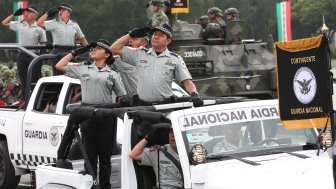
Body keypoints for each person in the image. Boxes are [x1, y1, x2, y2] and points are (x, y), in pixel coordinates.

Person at [55, 39, 126, 189]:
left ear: (107, 54)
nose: (93, 50)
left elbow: (121, 97)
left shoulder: (113, 74)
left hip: (106, 114)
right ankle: (92, 185)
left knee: (105, 155)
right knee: (90, 155)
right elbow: (59, 65)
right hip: (87, 113)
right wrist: (75, 52)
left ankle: (105, 186)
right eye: (92, 48)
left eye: (98, 48)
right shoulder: (83, 69)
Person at [110, 24, 203, 107]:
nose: (156, 37)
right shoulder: (139, 54)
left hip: (165, 107)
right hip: (143, 107)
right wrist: (130, 34)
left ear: (168, 40)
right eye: (154, 34)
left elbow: (187, 82)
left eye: (161, 35)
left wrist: (194, 94)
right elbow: (113, 49)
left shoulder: (175, 59)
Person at [2, 6, 47, 101]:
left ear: (35, 15)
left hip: (33, 56)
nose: (25, 14)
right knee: (23, 80)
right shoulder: (20, 24)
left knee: (34, 80)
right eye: (25, 12)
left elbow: (43, 44)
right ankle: (25, 101)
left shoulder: (40, 28)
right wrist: (14, 14)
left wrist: (42, 58)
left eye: (29, 12)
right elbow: (4, 22)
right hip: (21, 56)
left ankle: (34, 101)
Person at [37, 3, 88, 75]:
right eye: (60, 10)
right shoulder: (54, 22)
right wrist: (47, 13)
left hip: (71, 52)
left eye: (63, 10)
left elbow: (82, 39)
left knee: (71, 74)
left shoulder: (74, 24)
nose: (60, 12)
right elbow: (38, 23)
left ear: (68, 13)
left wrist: (89, 50)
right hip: (58, 51)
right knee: (58, 75)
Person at [111, 32, 151, 105]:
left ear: (144, 43)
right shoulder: (119, 59)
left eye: (134, 39)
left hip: (149, 103)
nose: (130, 41)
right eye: (129, 39)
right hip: (129, 103)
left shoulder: (152, 57)